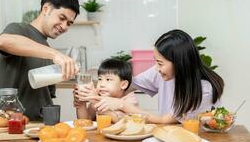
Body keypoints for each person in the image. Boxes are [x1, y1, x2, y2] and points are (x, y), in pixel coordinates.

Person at [85, 29, 224, 124]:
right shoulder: (161, 71)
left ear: (179, 63)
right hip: (168, 137)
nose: (156, 68)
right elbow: (128, 86)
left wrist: (121, 104)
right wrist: (101, 90)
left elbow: (166, 121)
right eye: (156, 62)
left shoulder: (204, 89)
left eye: (160, 63)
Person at [0, 0, 80, 120]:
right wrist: (56, 54)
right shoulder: (19, 29)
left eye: (69, 23)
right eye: (62, 18)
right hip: (14, 126)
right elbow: (3, 41)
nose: (64, 27)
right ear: (46, 9)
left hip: (41, 125)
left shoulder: (45, 46)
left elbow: (45, 95)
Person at [73, 58, 138, 123]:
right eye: (100, 79)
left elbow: (123, 121)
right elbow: (86, 120)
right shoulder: (98, 96)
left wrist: (97, 103)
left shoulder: (130, 99)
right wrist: (81, 105)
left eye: (108, 79)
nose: (102, 84)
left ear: (123, 85)